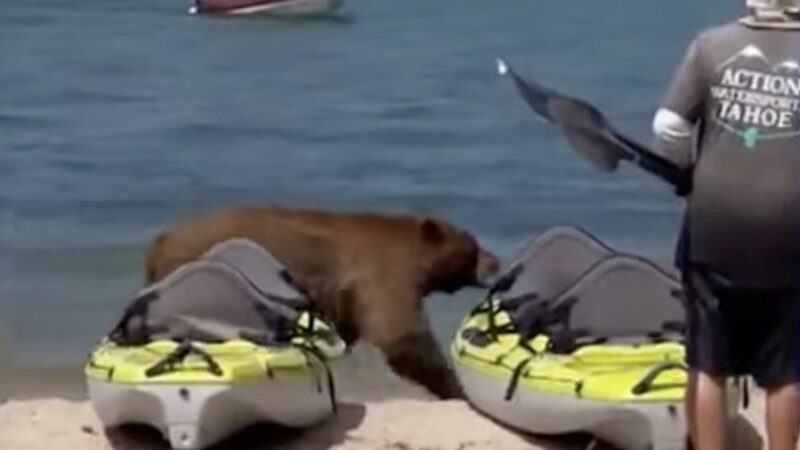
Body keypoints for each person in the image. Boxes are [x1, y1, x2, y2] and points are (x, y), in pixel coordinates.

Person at [652, 1, 800, 449]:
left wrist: (684, 170)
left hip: (715, 225)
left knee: (708, 362)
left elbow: (670, 126)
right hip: (790, 231)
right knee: (787, 370)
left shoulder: (712, 46)